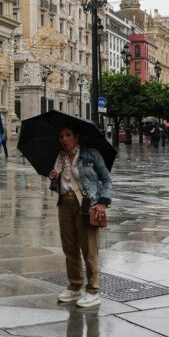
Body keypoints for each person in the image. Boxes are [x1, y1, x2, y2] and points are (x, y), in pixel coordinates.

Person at [47, 124, 112, 308]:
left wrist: (103, 202)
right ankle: (75, 285)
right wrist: (53, 179)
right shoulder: (60, 157)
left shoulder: (90, 154)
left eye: (68, 135)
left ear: (76, 137)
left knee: (89, 248)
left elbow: (107, 179)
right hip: (64, 204)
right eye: (61, 136)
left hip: (86, 204)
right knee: (69, 247)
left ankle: (93, 290)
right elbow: (58, 185)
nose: (64, 139)